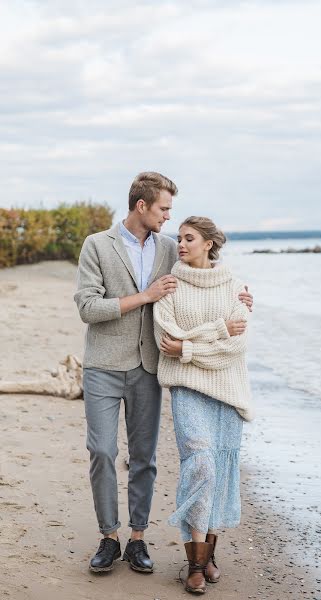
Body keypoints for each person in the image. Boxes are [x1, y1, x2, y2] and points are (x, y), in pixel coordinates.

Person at [74, 173, 253, 575]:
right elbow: (87, 308)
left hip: (148, 368)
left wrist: (242, 297)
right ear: (142, 206)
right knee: (102, 452)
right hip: (103, 364)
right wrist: (146, 296)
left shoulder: (172, 248)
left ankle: (137, 539)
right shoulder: (96, 246)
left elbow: (209, 277)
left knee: (144, 459)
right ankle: (109, 536)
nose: (168, 217)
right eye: (163, 209)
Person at [153, 216, 253, 594]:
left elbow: (236, 346)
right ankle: (193, 563)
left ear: (209, 243)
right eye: (178, 237)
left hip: (228, 391)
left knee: (222, 469)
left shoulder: (235, 286)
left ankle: (207, 556)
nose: (180, 243)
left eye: (188, 238)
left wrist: (191, 348)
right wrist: (218, 330)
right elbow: (168, 340)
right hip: (187, 391)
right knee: (201, 465)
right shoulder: (170, 287)